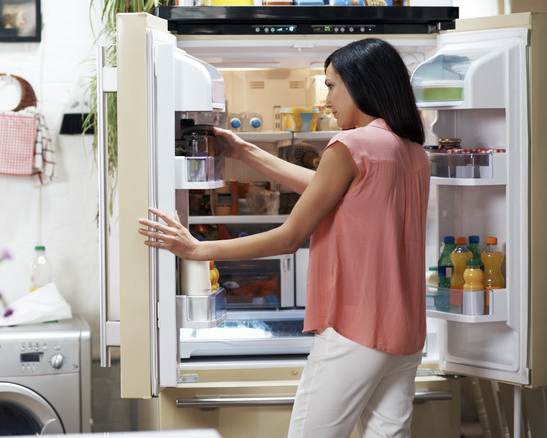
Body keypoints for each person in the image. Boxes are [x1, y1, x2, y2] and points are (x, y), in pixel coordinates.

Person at [138, 38, 430, 438]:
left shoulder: (352, 144)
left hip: (356, 329)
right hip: (405, 334)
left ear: (362, 84)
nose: (326, 100)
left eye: (330, 86)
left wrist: (196, 248)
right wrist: (244, 151)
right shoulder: (411, 150)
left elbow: (289, 236)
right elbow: (325, 188)